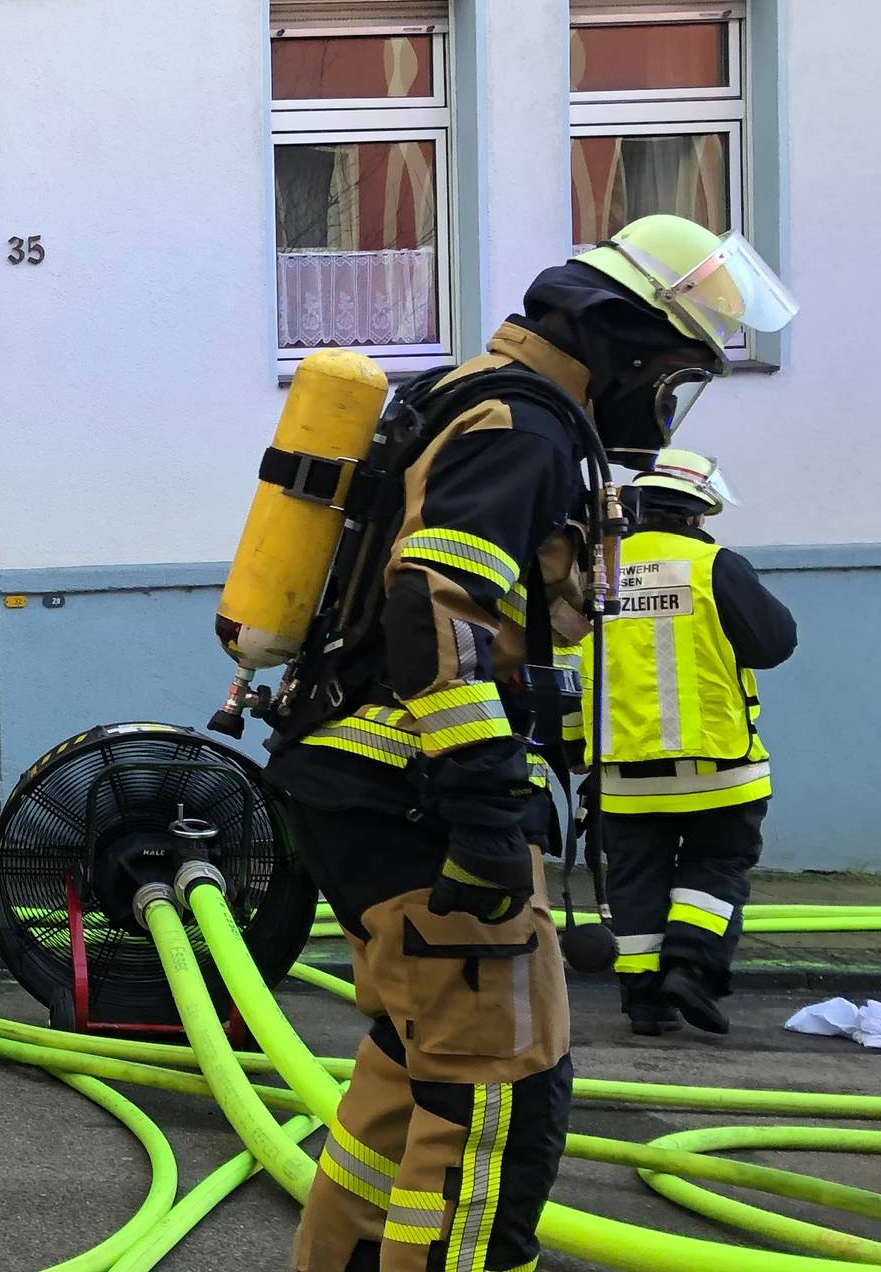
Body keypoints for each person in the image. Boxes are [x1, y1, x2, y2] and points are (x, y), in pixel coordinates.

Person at [260, 215, 796, 1272]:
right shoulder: (525, 426)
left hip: (356, 779)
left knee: (412, 1063)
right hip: (414, 797)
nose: (665, 397)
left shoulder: (472, 397)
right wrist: (484, 814)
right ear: (624, 344)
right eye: (674, 369)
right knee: (499, 1100)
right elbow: (433, 603)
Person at [584, 449, 794, 1036]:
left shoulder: (594, 570)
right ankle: (691, 967)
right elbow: (775, 644)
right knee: (718, 863)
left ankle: (645, 1003)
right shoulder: (714, 565)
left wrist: (580, 756)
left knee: (635, 879)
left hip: (623, 772)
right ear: (699, 514)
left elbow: (569, 669)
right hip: (719, 767)